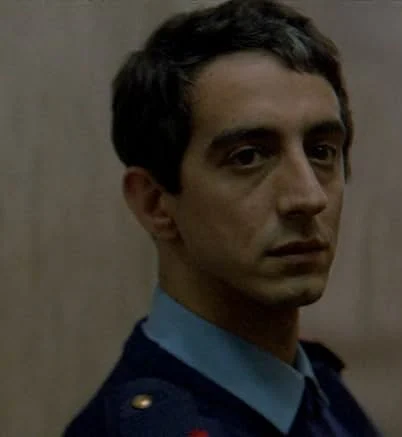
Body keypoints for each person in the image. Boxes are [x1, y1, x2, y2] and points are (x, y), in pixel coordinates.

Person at [63, 1, 379, 435]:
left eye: (322, 151)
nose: (309, 197)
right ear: (155, 203)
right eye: (247, 156)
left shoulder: (314, 386)